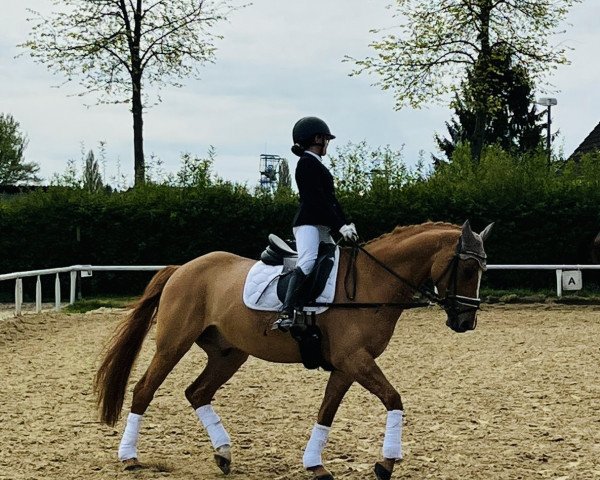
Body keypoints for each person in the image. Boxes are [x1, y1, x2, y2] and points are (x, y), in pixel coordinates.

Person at [274, 116, 358, 332]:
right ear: (316, 138)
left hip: (320, 225)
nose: (327, 143)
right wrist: (339, 226)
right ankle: (287, 311)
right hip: (307, 223)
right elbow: (317, 201)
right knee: (309, 260)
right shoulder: (306, 163)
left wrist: (347, 222)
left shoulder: (317, 165)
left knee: (335, 257)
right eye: (324, 139)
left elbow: (331, 201)